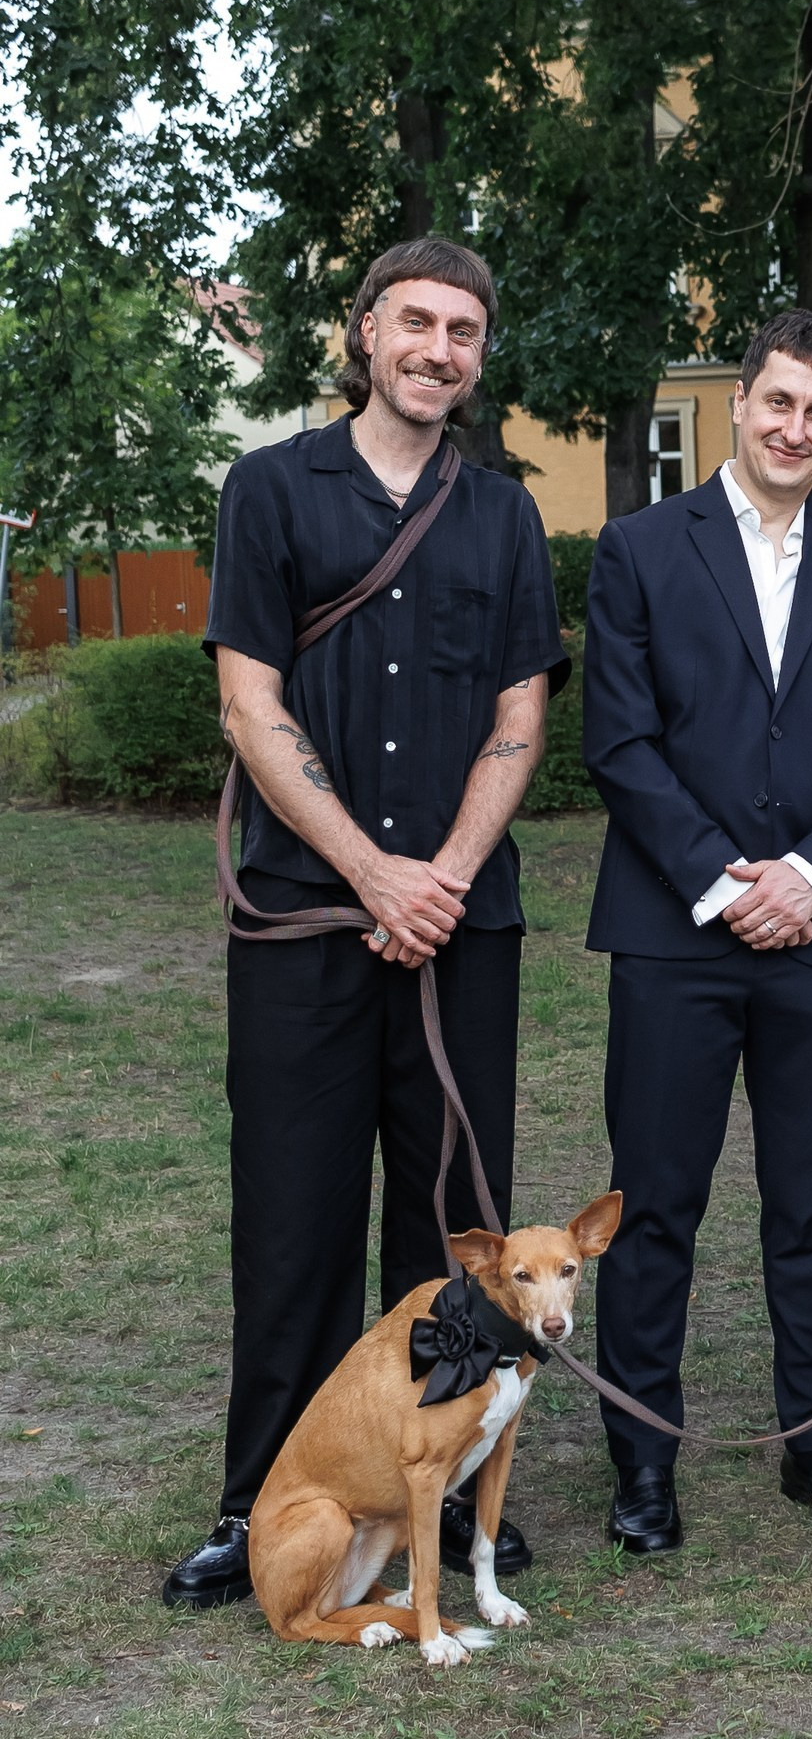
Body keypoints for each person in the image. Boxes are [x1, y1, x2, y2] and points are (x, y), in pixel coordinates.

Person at [163, 238, 570, 1610]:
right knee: (294, 1220)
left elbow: (521, 718)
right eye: (415, 322)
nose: (437, 348)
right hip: (302, 917)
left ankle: (446, 1508)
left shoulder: (504, 516)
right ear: (364, 334)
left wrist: (440, 875)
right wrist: (371, 874)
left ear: (476, 354)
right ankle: (261, 1501)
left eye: (462, 329)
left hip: (467, 925)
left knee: (454, 1233)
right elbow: (249, 704)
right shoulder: (269, 490)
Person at [580, 310, 812, 1555]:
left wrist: (811, 878)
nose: (795, 428)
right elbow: (617, 741)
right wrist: (726, 885)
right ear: (742, 401)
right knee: (656, 1203)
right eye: (779, 402)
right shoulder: (637, 548)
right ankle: (642, 1458)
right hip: (677, 934)